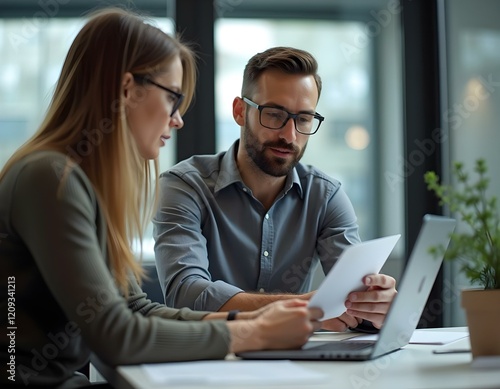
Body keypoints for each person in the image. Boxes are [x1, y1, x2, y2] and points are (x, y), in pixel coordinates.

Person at [0, 10, 324, 388]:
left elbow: (134, 309)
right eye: (173, 98)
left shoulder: (76, 181)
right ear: (126, 90)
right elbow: (116, 335)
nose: (178, 119)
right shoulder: (50, 179)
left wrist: (253, 320)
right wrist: (256, 334)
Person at [154, 46, 397, 332]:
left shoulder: (325, 196)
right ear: (240, 111)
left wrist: (375, 307)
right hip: (210, 360)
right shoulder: (184, 186)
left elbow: (353, 295)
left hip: (298, 365)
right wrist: (304, 308)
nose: (289, 135)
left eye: (303, 119)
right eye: (274, 114)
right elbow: (187, 294)